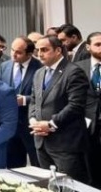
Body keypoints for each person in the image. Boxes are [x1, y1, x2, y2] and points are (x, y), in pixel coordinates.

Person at [29, 36, 90, 184]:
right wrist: (33, 121)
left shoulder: (73, 72)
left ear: (57, 50)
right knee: (48, 185)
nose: (40, 54)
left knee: (70, 186)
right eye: (38, 50)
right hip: (41, 142)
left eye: (44, 50)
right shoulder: (39, 73)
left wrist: (51, 124)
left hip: (65, 144)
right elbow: (34, 101)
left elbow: (75, 105)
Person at [0, 36, 42, 168]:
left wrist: (24, 100)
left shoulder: (40, 68)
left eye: (18, 52)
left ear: (29, 54)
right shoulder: (5, 66)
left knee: (37, 165)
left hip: (31, 124)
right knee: (12, 166)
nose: (13, 54)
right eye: (12, 50)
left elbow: (45, 95)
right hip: (9, 124)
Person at [74, 32, 101, 187]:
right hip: (86, 123)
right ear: (88, 47)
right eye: (98, 44)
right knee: (89, 164)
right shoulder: (78, 67)